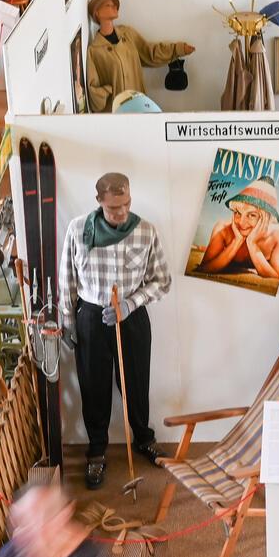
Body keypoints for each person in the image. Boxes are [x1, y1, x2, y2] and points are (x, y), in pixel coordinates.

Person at [59, 172, 170, 489]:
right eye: (113, 208)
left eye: (125, 204)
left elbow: (162, 281)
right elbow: (66, 276)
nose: (121, 213)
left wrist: (130, 304)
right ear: (99, 203)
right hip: (92, 316)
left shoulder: (145, 231)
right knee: (93, 387)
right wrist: (68, 320)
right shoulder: (79, 229)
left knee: (136, 382)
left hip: (131, 316)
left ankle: (143, 439)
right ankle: (96, 451)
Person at [83, 0, 192, 113]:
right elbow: (93, 89)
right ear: (97, 12)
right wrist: (108, 90)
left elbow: (149, 52)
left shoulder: (127, 34)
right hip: (114, 113)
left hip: (139, 106)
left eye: (115, 5)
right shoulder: (95, 50)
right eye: (108, 5)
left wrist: (177, 49)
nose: (114, 7)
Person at [194, 177, 279, 280]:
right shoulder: (223, 229)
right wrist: (236, 241)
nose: (241, 223)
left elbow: (277, 277)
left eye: (252, 215)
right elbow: (203, 269)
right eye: (238, 213)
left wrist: (252, 243)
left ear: (267, 218)